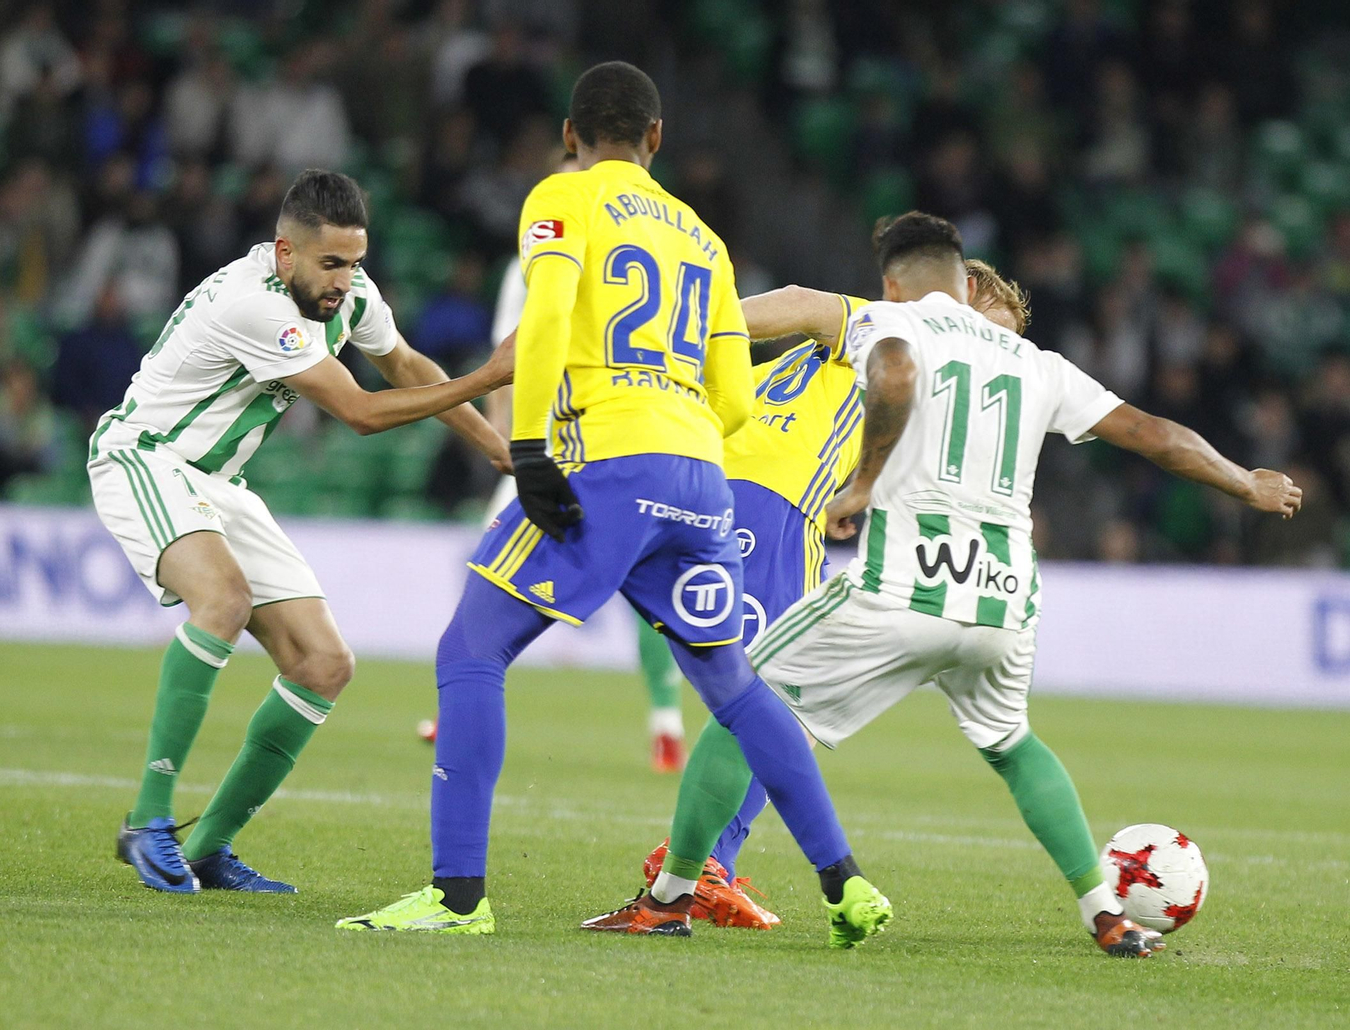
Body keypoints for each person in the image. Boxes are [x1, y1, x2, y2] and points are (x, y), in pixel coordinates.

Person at [609, 212, 1301, 958]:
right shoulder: (1039, 364)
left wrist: (865, 480)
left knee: (746, 706)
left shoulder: (891, 322)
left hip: (905, 581)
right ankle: (1106, 912)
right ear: (966, 281)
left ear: (898, 282)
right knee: (1013, 744)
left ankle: (670, 897)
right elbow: (1156, 434)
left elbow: (882, 361)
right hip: (1003, 595)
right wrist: (1244, 481)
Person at [337, 62, 891, 948]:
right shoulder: (704, 238)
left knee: (472, 648)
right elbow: (737, 400)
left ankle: (457, 898)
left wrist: (528, 449)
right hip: (699, 472)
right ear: (658, 139)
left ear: (570, 135)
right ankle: (844, 884)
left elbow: (548, 316)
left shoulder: (565, 199)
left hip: (609, 459)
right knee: (735, 685)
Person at [93, 169, 512, 894]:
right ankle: (149, 821)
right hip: (147, 458)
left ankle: (208, 850)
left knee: (323, 663)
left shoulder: (347, 292)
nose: (346, 281)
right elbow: (361, 411)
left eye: (355, 262)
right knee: (220, 601)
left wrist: (500, 451)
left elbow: (406, 365)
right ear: (285, 252)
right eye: (331, 264)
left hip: (220, 482)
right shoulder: (250, 302)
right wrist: (488, 377)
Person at [588, 259, 1030, 933]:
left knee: (765, 698)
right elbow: (799, 298)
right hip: (768, 511)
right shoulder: (893, 332)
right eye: (983, 328)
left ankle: (701, 871)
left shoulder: (872, 368)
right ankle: (701, 873)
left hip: (711, 488)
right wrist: (701, 329)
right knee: (770, 700)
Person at [481, 151, 688, 773]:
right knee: (651, 584)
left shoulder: (537, 251)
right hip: (644, 439)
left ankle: (464, 699)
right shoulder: (667, 242)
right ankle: (669, 725)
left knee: (491, 571)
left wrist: (507, 433)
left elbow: (512, 346)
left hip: (555, 437)